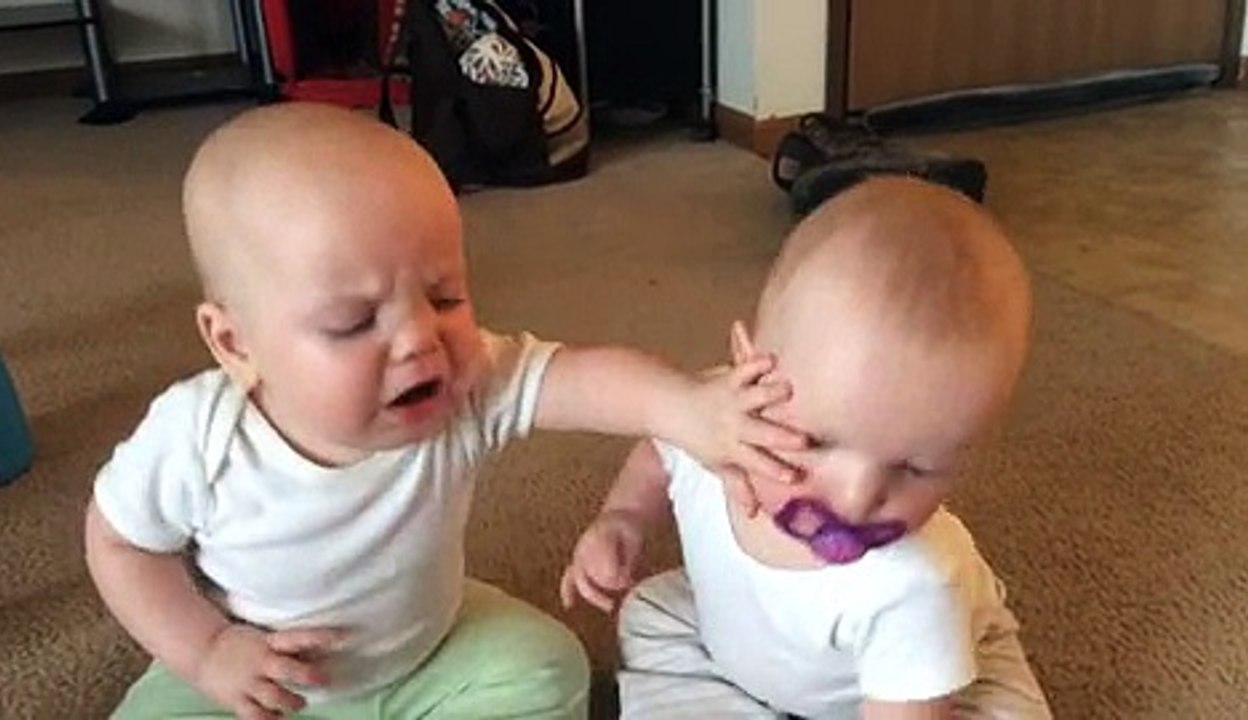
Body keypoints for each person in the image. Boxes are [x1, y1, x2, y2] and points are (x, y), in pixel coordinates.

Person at [85, 103, 804, 720]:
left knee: (548, 668)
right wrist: (209, 651)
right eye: (352, 322)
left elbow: (580, 378)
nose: (418, 339)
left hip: (424, 655)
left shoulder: (464, 385)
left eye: (444, 296)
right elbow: (120, 546)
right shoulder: (199, 435)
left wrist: (686, 408)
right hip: (256, 681)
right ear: (235, 344)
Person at [561, 177, 1053, 719]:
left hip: (933, 691)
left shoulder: (915, 585)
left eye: (917, 468)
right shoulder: (710, 424)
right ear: (749, 368)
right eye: (817, 442)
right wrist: (624, 516)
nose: (857, 498)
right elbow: (660, 451)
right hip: (758, 647)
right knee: (652, 612)